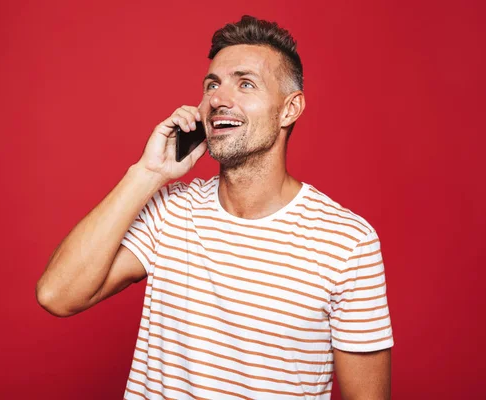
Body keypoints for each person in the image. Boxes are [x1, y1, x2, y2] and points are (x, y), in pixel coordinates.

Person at [36, 15, 394, 400]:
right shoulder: (170, 211)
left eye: (245, 84)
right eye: (212, 85)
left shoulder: (347, 243)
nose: (219, 99)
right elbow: (57, 294)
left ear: (290, 109)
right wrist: (147, 174)